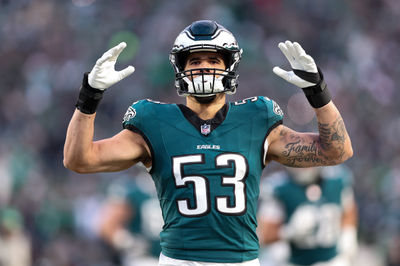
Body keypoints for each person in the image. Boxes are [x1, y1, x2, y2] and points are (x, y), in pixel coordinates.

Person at [63, 20, 353, 265]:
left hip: (241, 261)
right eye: (195, 61)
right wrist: (90, 95)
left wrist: (317, 91)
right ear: (181, 69)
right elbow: (79, 159)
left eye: (214, 60)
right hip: (179, 260)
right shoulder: (153, 121)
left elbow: (337, 151)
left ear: (230, 67)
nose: (204, 67)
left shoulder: (256, 117)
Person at [257, 166, 358, 266]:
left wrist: (349, 233)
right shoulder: (278, 187)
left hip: (333, 259)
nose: (306, 161)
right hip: (294, 261)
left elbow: (348, 210)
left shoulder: (337, 178)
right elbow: (264, 235)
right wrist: (289, 231)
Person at [98, 173, 162, 266]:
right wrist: (126, 241)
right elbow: (108, 226)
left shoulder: (178, 187)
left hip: (176, 256)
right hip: (145, 258)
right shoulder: (130, 190)